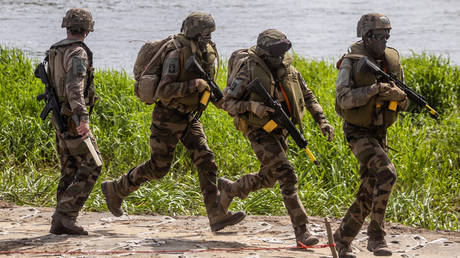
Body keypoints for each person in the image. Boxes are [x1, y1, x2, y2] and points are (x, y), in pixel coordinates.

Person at [101, 12, 245, 232]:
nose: (210, 36)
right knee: (159, 167)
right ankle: (116, 189)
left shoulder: (205, 51)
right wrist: (193, 86)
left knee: (206, 159)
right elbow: (164, 91)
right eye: (206, 32)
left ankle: (216, 215)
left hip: (189, 116)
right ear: (196, 32)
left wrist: (225, 103)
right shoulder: (176, 53)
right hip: (167, 117)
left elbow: (208, 85)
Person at [219, 29, 334, 247]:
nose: (279, 59)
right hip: (258, 131)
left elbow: (308, 96)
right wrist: (252, 106)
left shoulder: (288, 70)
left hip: (281, 130)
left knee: (268, 178)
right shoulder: (248, 71)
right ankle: (302, 231)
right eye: (274, 54)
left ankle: (230, 189)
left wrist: (322, 121)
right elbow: (227, 103)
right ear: (263, 53)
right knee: (287, 175)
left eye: (282, 54)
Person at [333, 13, 409, 258]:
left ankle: (342, 239)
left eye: (387, 36)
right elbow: (343, 100)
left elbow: (405, 101)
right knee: (387, 173)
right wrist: (375, 90)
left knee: (370, 188)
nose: (384, 41)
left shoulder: (391, 60)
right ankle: (377, 237)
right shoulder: (351, 62)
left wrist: (397, 97)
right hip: (357, 132)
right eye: (379, 36)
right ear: (366, 37)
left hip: (379, 133)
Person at [45, 8, 102, 235]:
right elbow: (74, 87)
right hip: (71, 117)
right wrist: (82, 118)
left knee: (69, 168)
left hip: (59, 116)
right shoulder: (78, 52)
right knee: (93, 164)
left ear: (67, 27)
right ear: (87, 30)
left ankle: (60, 222)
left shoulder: (55, 50)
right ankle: (65, 215)